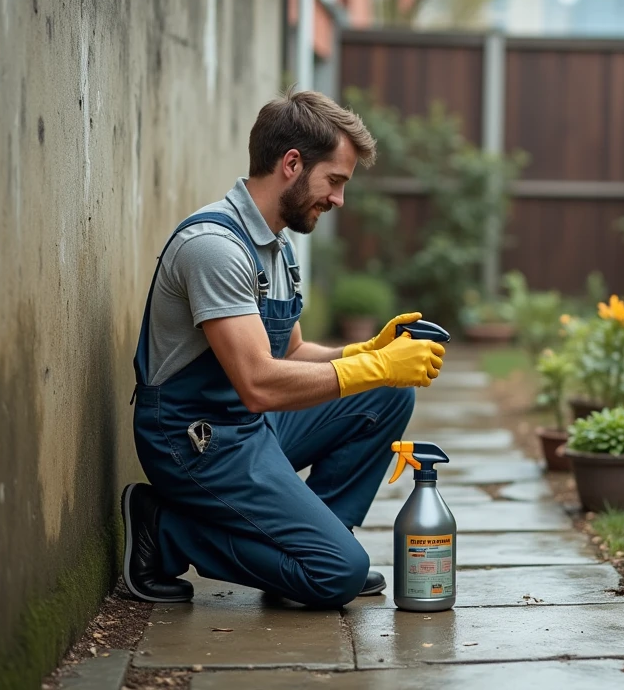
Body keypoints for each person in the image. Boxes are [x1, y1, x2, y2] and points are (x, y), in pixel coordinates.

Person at [120, 89, 446, 608]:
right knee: (337, 576)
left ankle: (310, 541)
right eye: (334, 180)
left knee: (388, 394)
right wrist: (377, 365)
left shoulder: (276, 243)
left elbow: (289, 355)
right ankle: (166, 530)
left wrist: (363, 352)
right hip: (195, 440)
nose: (339, 198)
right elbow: (258, 383)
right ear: (292, 163)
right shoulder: (215, 247)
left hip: (247, 428)